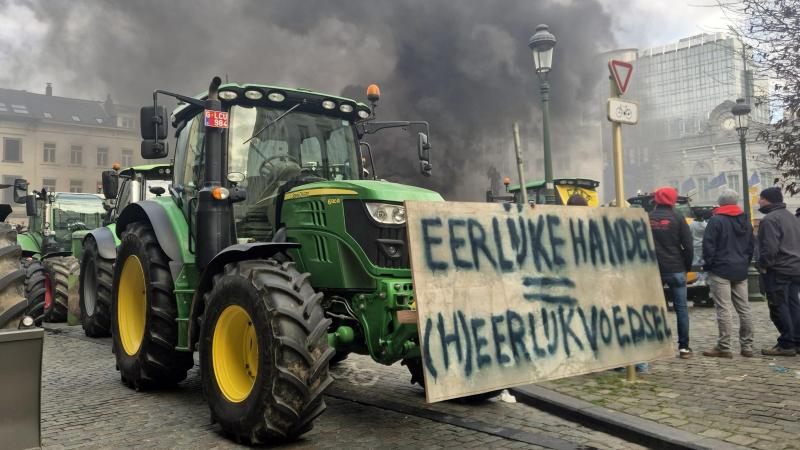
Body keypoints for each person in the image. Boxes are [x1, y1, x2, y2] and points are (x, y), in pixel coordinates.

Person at [700, 190, 754, 358]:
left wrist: (710, 264)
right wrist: (744, 261)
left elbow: (708, 245)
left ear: (721, 202)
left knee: (724, 309)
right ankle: (747, 346)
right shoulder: (745, 219)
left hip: (720, 269)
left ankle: (724, 347)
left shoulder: (716, 220)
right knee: (744, 309)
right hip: (740, 269)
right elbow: (751, 245)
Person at [649, 187, 694, 359]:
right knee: (681, 309)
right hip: (676, 268)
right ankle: (684, 348)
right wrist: (687, 267)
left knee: (654, 308)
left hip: (654, 268)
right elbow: (688, 245)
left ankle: (655, 345)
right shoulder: (678, 217)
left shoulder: (648, 217)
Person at [757, 187, 800, 356]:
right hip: (795, 268)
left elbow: (770, 248)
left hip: (779, 269)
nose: (759, 201)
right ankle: (796, 340)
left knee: (778, 305)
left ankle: (786, 343)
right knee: (793, 305)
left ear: (768, 200)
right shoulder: (791, 217)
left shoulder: (770, 219)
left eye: (761, 198)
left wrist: (764, 265)